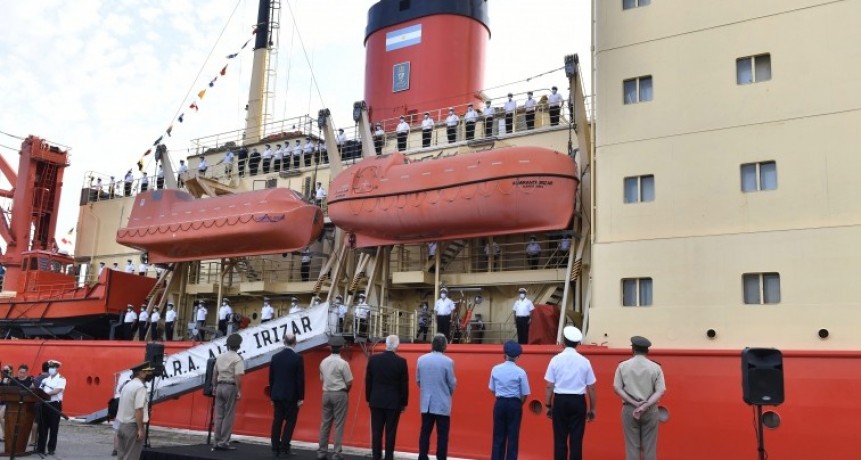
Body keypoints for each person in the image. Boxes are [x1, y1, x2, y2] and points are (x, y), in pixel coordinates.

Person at [544, 326, 596, 460]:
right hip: (578, 401)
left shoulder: (555, 360)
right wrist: (592, 408)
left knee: (560, 439)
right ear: (578, 343)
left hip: (560, 400)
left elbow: (550, 386)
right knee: (576, 440)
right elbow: (591, 387)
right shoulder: (585, 361)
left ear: (563, 341)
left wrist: (548, 405)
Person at [613, 336, 666, 460]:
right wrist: (645, 405)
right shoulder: (656, 367)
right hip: (650, 410)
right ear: (647, 351)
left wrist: (634, 403)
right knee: (649, 447)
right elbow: (661, 390)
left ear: (633, 349)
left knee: (632, 446)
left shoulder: (622, 366)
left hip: (629, 409)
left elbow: (617, 388)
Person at [366, 335, 409, 460]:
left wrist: (369, 398)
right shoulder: (401, 362)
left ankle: (376, 456)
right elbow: (404, 385)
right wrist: (403, 403)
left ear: (385, 344)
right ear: (397, 346)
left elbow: (368, 381)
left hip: (376, 400)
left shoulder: (373, 360)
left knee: (376, 431)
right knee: (391, 432)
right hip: (393, 402)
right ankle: (389, 456)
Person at [416, 334, 456, 460]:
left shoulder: (421, 359)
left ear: (432, 345)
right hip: (442, 403)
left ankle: (422, 456)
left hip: (426, 403)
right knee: (442, 435)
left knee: (425, 432)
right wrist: (447, 392)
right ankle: (441, 457)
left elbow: (418, 380)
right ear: (444, 346)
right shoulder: (448, 362)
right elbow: (452, 383)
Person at [489, 341, 530, 460]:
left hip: (500, 402)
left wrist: (500, 397)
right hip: (514, 404)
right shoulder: (521, 372)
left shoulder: (495, 369)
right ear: (517, 356)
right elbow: (525, 393)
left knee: (498, 436)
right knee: (513, 437)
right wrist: (518, 403)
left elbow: (492, 389)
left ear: (504, 354)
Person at [318, 335, 353, 460]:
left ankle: (322, 452)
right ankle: (337, 453)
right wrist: (345, 392)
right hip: (339, 393)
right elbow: (349, 381)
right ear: (342, 347)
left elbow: (322, 378)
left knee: (325, 423)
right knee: (339, 424)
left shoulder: (323, 362)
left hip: (326, 393)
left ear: (330, 347)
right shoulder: (343, 363)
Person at [269, 333, 305, 457]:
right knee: (290, 421)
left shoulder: (275, 357)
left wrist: (271, 395)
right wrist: (301, 397)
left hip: (277, 394)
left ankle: (274, 448)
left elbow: (271, 379)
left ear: (284, 342)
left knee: (277, 420)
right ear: (295, 342)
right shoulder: (297, 358)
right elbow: (299, 380)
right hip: (291, 395)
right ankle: (284, 446)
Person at [115, 361, 155, 460]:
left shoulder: (127, 386)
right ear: (141, 373)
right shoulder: (140, 387)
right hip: (132, 427)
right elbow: (138, 409)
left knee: (121, 457)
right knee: (131, 457)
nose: (150, 374)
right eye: (147, 372)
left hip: (122, 425)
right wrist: (140, 429)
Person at [213, 333, 245, 451]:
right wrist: (239, 390)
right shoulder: (237, 359)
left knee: (219, 415)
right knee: (228, 415)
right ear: (238, 346)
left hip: (220, 386)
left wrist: (214, 386)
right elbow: (237, 376)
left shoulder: (219, 357)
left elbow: (214, 373)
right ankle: (224, 442)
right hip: (230, 387)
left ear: (228, 346)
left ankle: (216, 441)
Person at [37, 360, 66, 455]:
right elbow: (40, 390)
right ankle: (41, 448)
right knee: (42, 427)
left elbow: (57, 390)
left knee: (53, 427)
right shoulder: (45, 380)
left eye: (53, 367)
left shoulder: (61, 379)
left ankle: (51, 448)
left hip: (54, 404)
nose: (51, 369)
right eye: (50, 367)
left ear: (57, 368)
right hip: (44, 404)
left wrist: (45, 394)